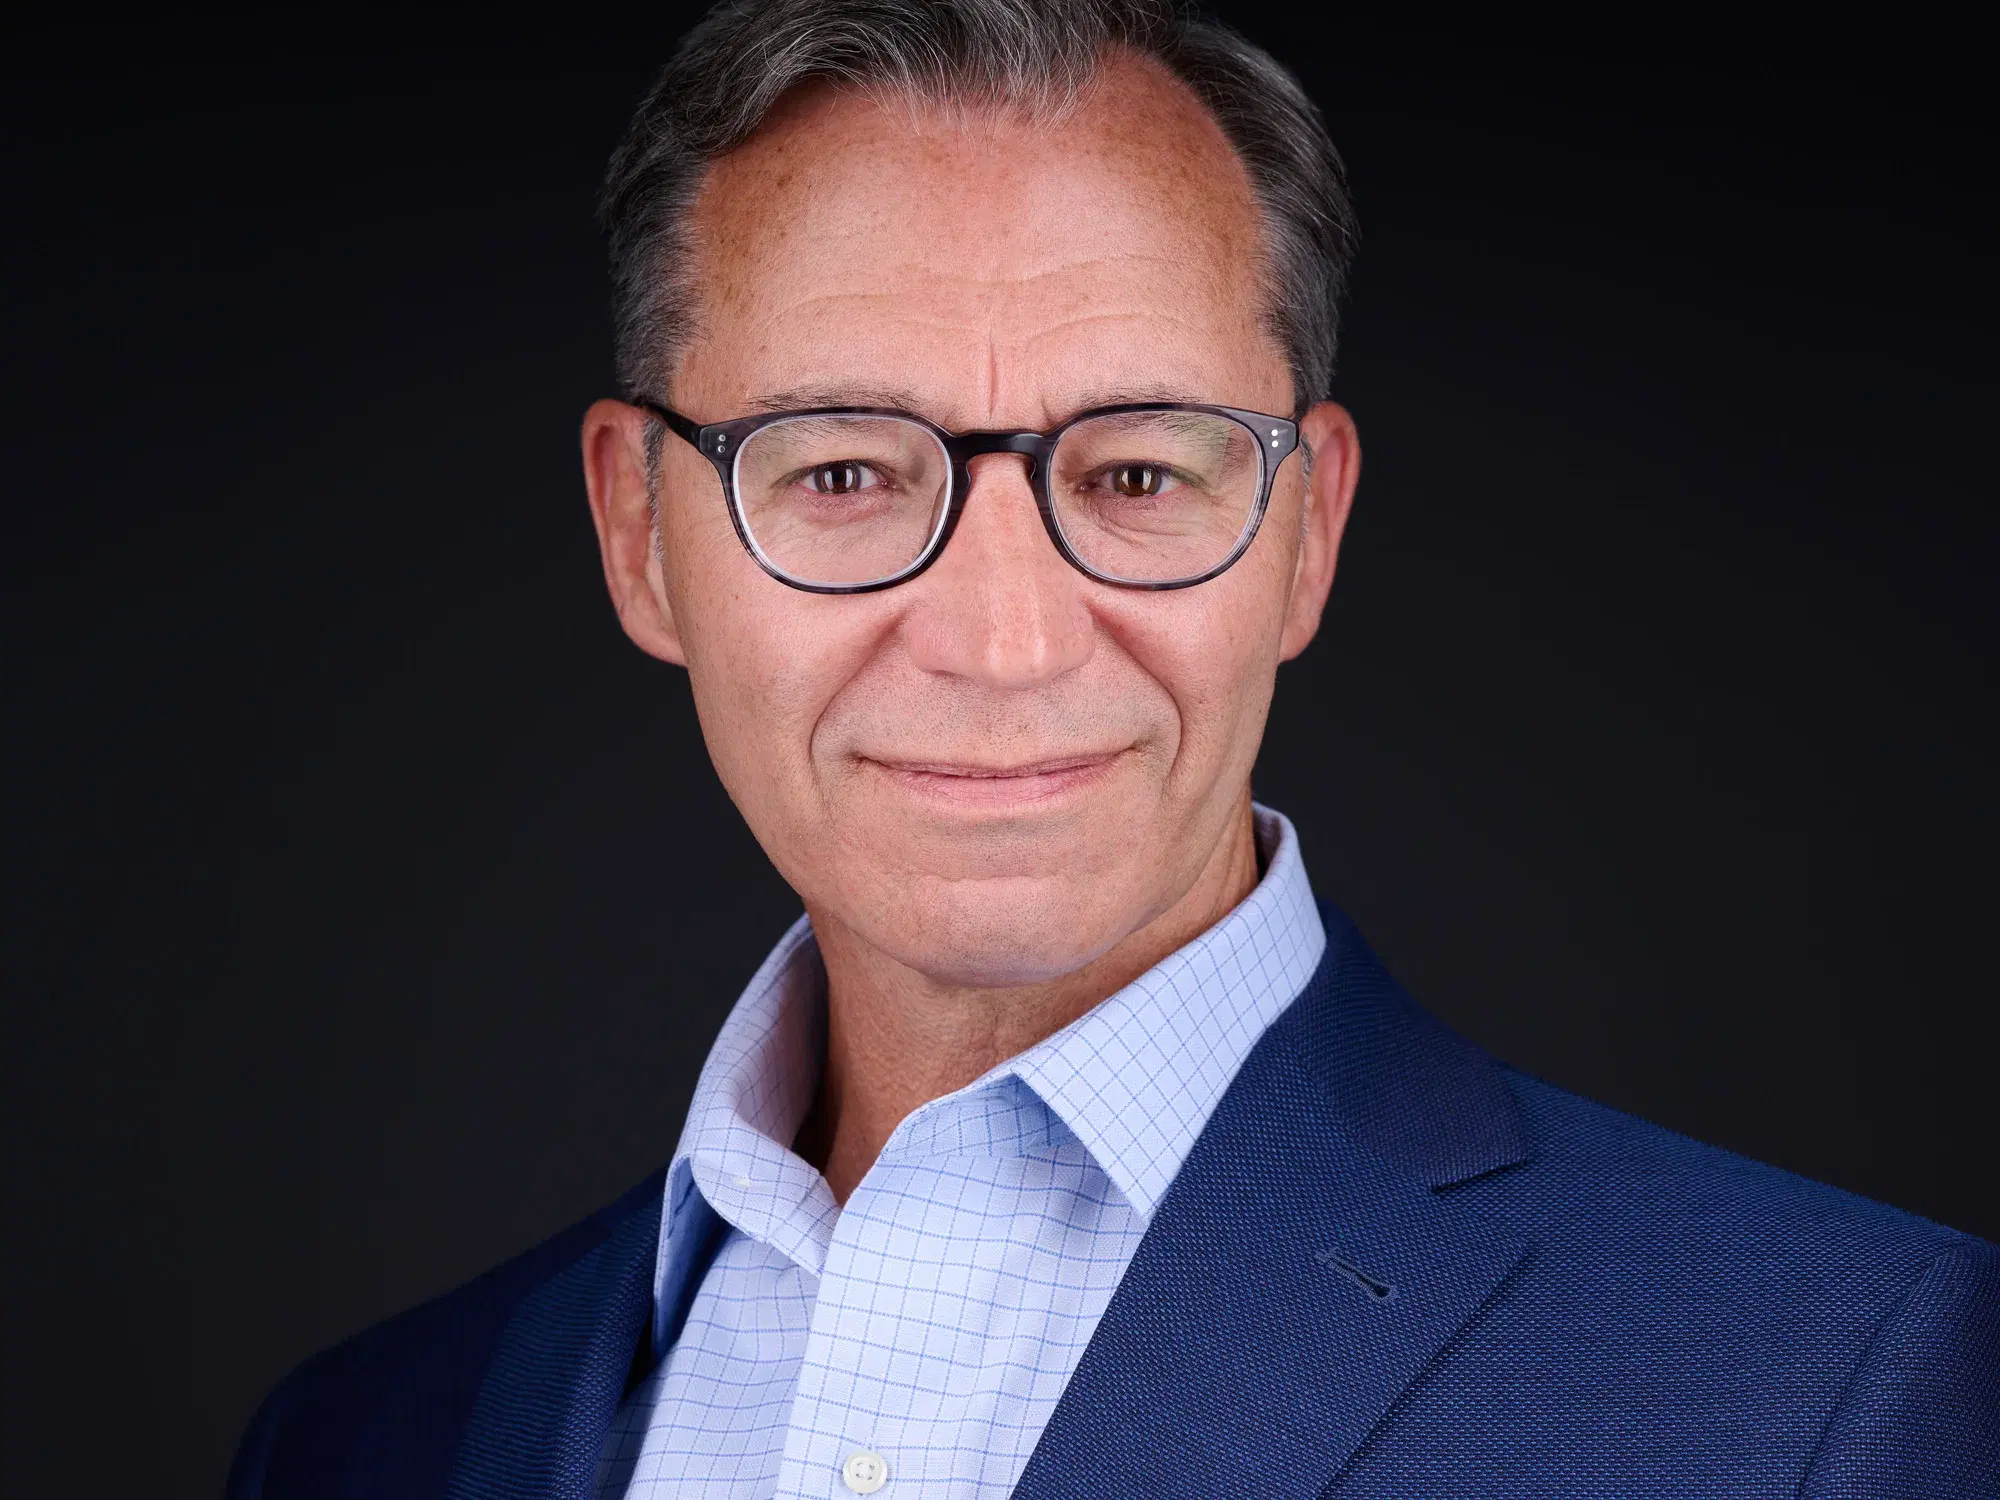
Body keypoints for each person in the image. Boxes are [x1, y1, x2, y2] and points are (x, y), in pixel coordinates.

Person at [224, 1, 1998, 1495]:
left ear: (1306, 533)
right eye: (843, 470)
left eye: (1140, 472)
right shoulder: (364, 1437)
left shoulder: (1832, 1389)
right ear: (638, 531)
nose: (1003, 641)